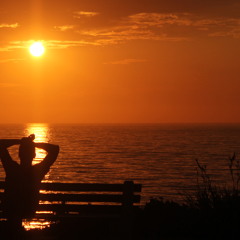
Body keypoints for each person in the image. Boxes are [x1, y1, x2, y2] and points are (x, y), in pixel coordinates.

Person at [0, 134, 59, 230]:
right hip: (29, 209)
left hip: (10, 208)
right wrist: (33, 144)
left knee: (13, 209)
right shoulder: (38, 171)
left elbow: (0, 144)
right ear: (34, 155)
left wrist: (20, 142)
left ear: (19, 154)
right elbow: (55, 149)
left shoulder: (11, 168)